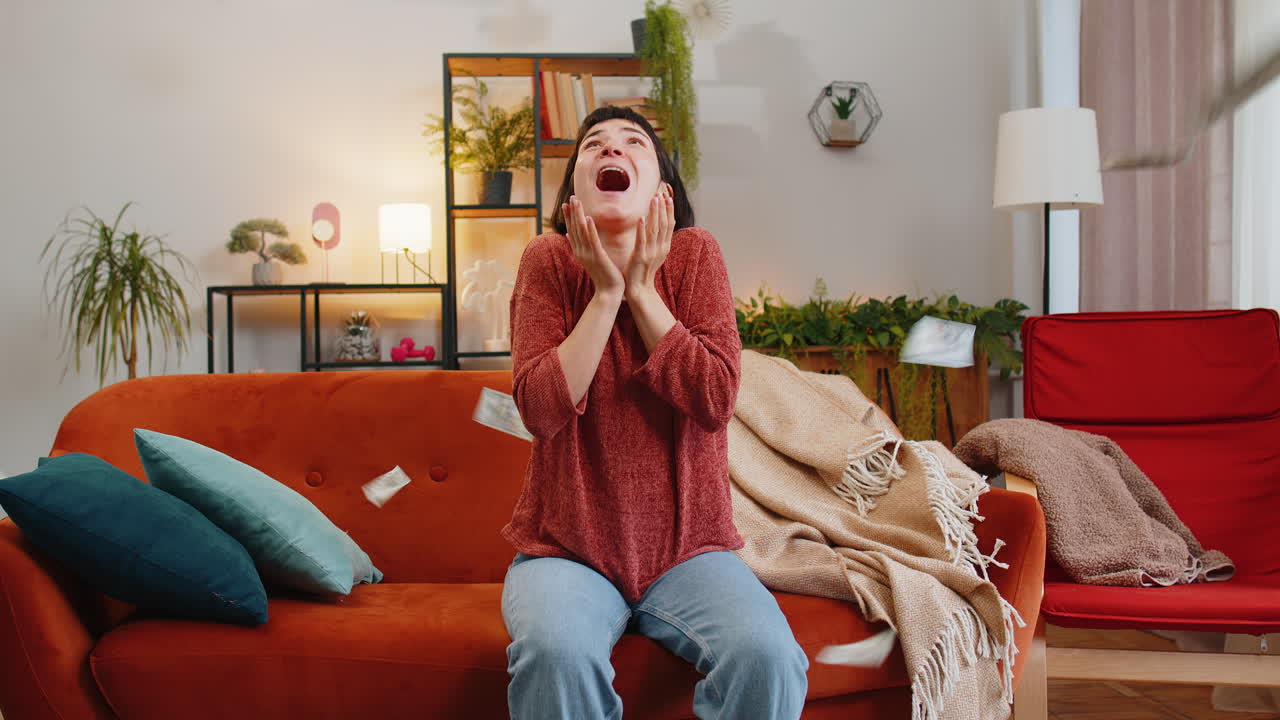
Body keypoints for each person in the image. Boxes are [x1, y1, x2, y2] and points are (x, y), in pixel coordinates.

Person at [500, 105, 809, 719]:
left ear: (662, 190)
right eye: (594, 146)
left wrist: (641, 291)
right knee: (555, 653)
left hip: (691, 553)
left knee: (769, 657)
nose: (612, 151)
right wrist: (607, 292)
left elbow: (715, 397)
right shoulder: (546, 261)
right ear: (572, 199)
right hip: (565, 552)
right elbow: (538, 410)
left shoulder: (696, 256)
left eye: (633, 142)